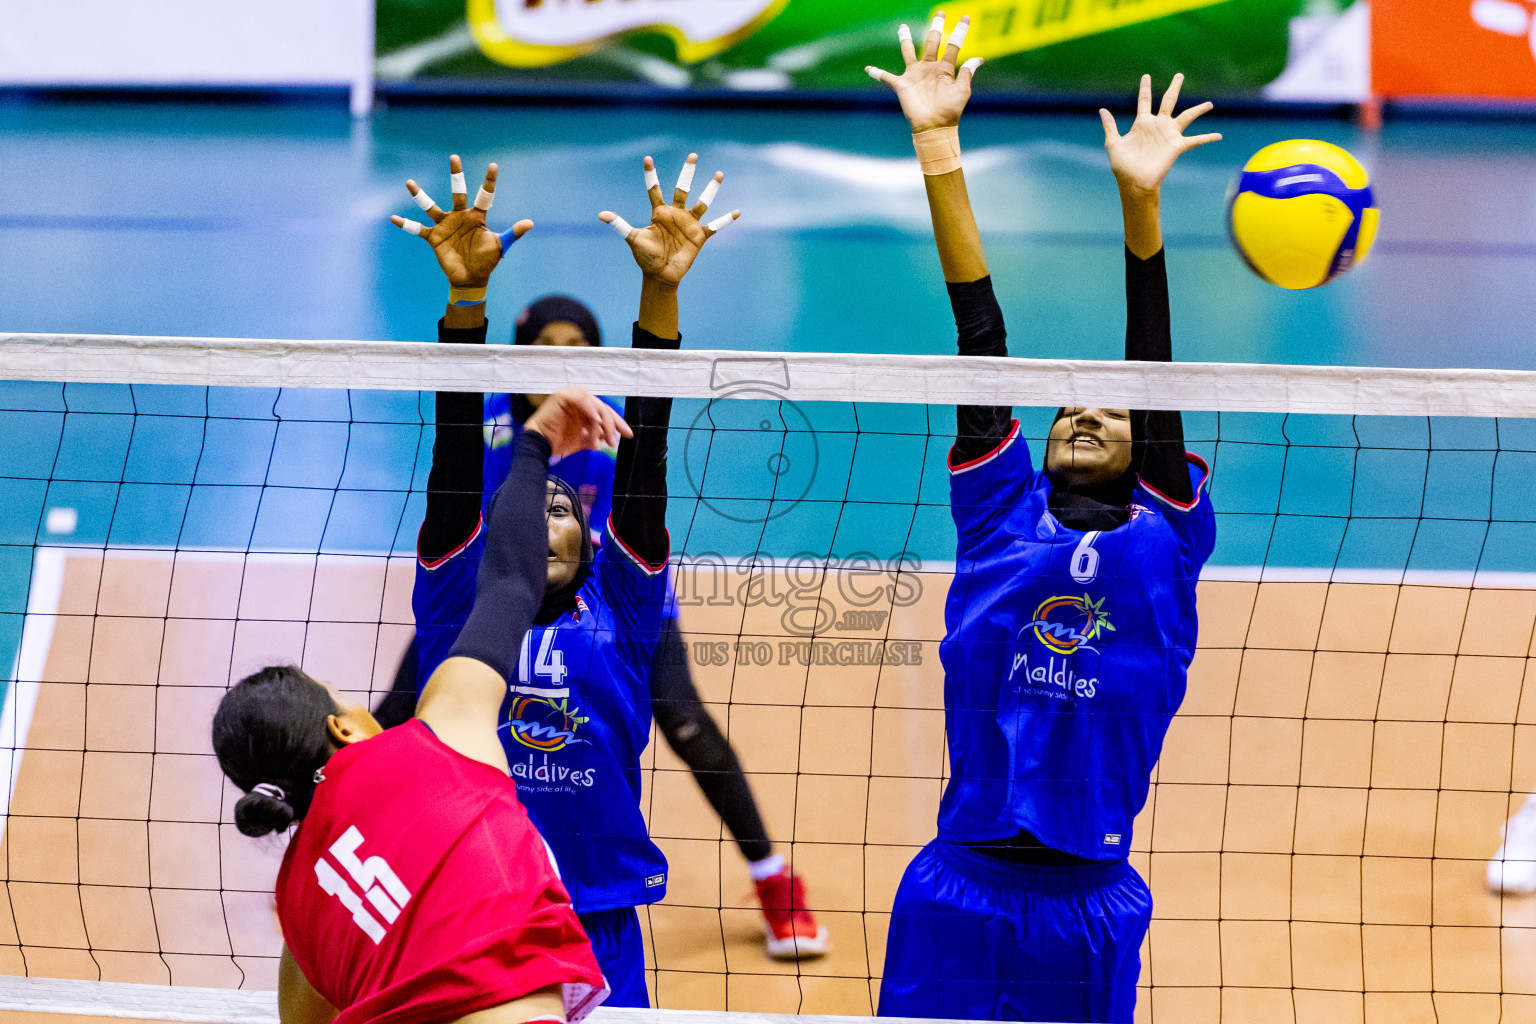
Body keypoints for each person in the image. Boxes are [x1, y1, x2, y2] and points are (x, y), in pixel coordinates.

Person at [866, 20, 1219, 1023]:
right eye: (1068, 402)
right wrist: (939, 148)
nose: (1083, 408)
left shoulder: (1166, 537)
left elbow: (1151, 370)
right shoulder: (997, 516)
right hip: (957, 885)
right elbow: (982, 337)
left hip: (1087, 899)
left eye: (1108, 405)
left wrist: (1139, 203)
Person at [404, 151, 739, 1006]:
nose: (546, 515)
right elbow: (453, 454)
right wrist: (465, 303)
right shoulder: (459, 611)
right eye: (530, 506)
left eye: (565, 507)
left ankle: (770, 869)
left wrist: (660, 294)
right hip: (472, 915)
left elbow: (648, 444)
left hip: (597, 921)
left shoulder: (625, 609)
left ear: (593, 539)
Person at [210, 355, 627, 1024]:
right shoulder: (436, 742)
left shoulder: (296, 900)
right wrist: (535, 445)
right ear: (343, 726)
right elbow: (511, 584)